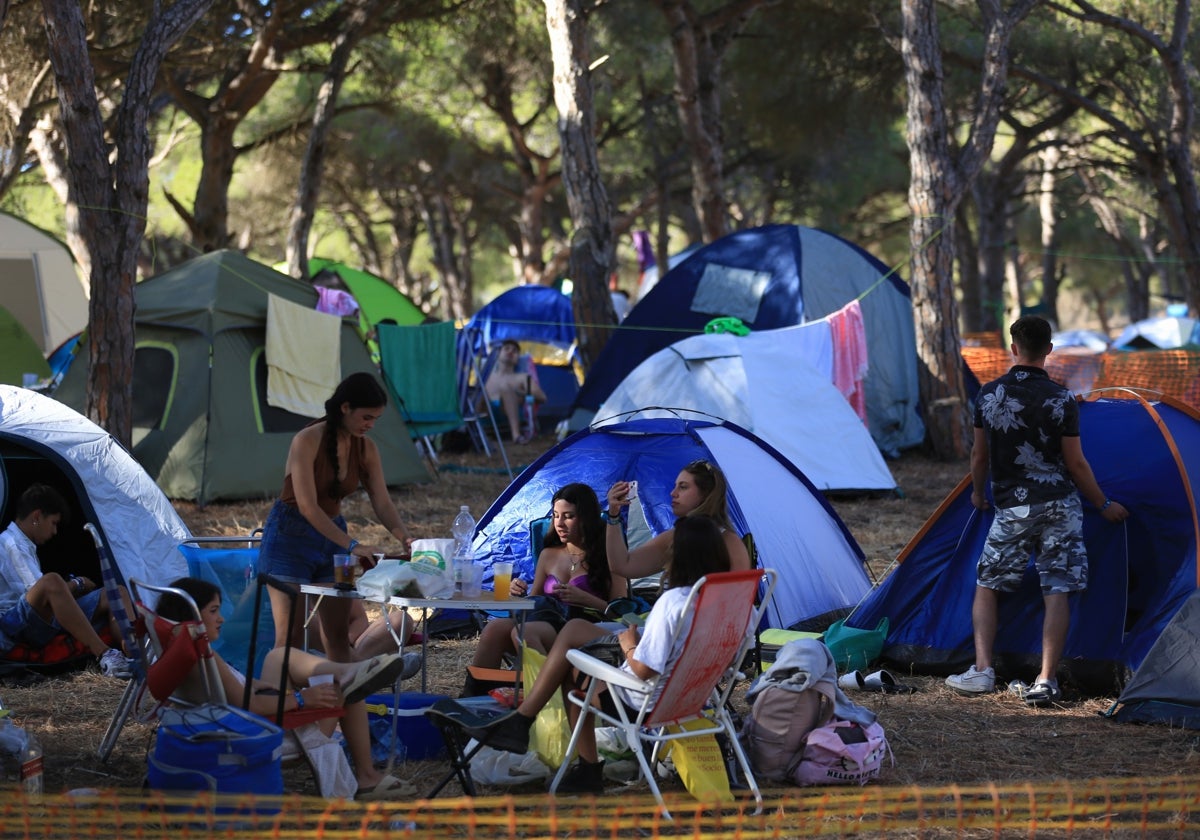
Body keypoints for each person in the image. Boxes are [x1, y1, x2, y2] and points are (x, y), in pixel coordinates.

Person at [466, 516, 734, 793]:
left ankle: (579, 762)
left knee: (571, 673)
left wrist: (630, 644)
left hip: (647, 699)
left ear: (680, 555)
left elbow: (644, 670)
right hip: (695, 695)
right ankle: (525, 723)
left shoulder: (674, 602)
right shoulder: (731, 602)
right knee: (575, 629)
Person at [946, 315, 1129, 707]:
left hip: (1013, 507)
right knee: (1057, 588)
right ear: (1049, 349)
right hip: (1061, 506)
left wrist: (979, 494)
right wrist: (1104, 504)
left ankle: (981, 670)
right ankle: (1046, 679)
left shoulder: (989, 395)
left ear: (1013, 348)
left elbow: (980, 456)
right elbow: (1076, 464)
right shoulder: (1062, 398)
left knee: (988, 585)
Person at [157, 576, 419, 801]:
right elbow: (252, 705)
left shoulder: (179, 651)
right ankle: (367, 777)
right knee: (345, 689)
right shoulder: (206, 657)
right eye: (213, 611)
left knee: (278, 657)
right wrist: (302, 699)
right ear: (192, 619)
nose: (221, 618)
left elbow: (242, 693)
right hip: (265, 734)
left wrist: (279, 691)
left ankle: (350, 669)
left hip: (237, 722)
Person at [258, 372, 414, 661]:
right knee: (289, 637)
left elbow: (381, 498)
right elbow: (307, 507)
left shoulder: (366, 447)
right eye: (366, 417)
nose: (370, 425)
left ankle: (345, 699)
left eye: (375, 419)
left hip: (332, 540)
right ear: (345, 408)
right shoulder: (306, 439)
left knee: (337, 636)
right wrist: (354, 546)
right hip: (289, 538)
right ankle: (284, 701)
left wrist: (404, 536)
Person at [468, 484, 628, 682]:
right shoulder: (548, 554)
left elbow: (622, 613)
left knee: (526, 632)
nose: (559, 523)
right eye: (555, 515)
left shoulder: (610, 556)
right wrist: (518, 593)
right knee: (495, 629)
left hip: (586, 627)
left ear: (586, 518)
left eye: (568, 516)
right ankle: (474, 697)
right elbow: (536, 600)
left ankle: (545, 699)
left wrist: (586, 599)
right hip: (549, 621)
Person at [0, 484, 133, 678]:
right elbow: (38, 591)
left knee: (115, 593)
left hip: (39, 619)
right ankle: (105, 654)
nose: (55, 532)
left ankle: (135, 657)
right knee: (52, 582)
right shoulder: (11, 544)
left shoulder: (25, 545)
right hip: (13, 625)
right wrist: (78, 584)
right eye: (53, 523)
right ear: (36, 517)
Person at [604, 459, 750, 581]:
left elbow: (738, 595)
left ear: (705, 493)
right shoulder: (674, 538)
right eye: (675, 486)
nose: (673, 493)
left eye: (683, 487)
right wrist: (613, 515)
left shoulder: (728, 541)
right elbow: (622, 565)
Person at [484, 339, 546, 444]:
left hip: (508, 413)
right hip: (485, 413)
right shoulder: (486, 377)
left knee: (506, 387)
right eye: (506, 348)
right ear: (498, 353)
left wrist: (521, 392)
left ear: (518, 358)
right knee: (477, 391)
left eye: (515, 351)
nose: (510, 352)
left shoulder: (522, 378)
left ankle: (516, 435)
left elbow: (543, 397)